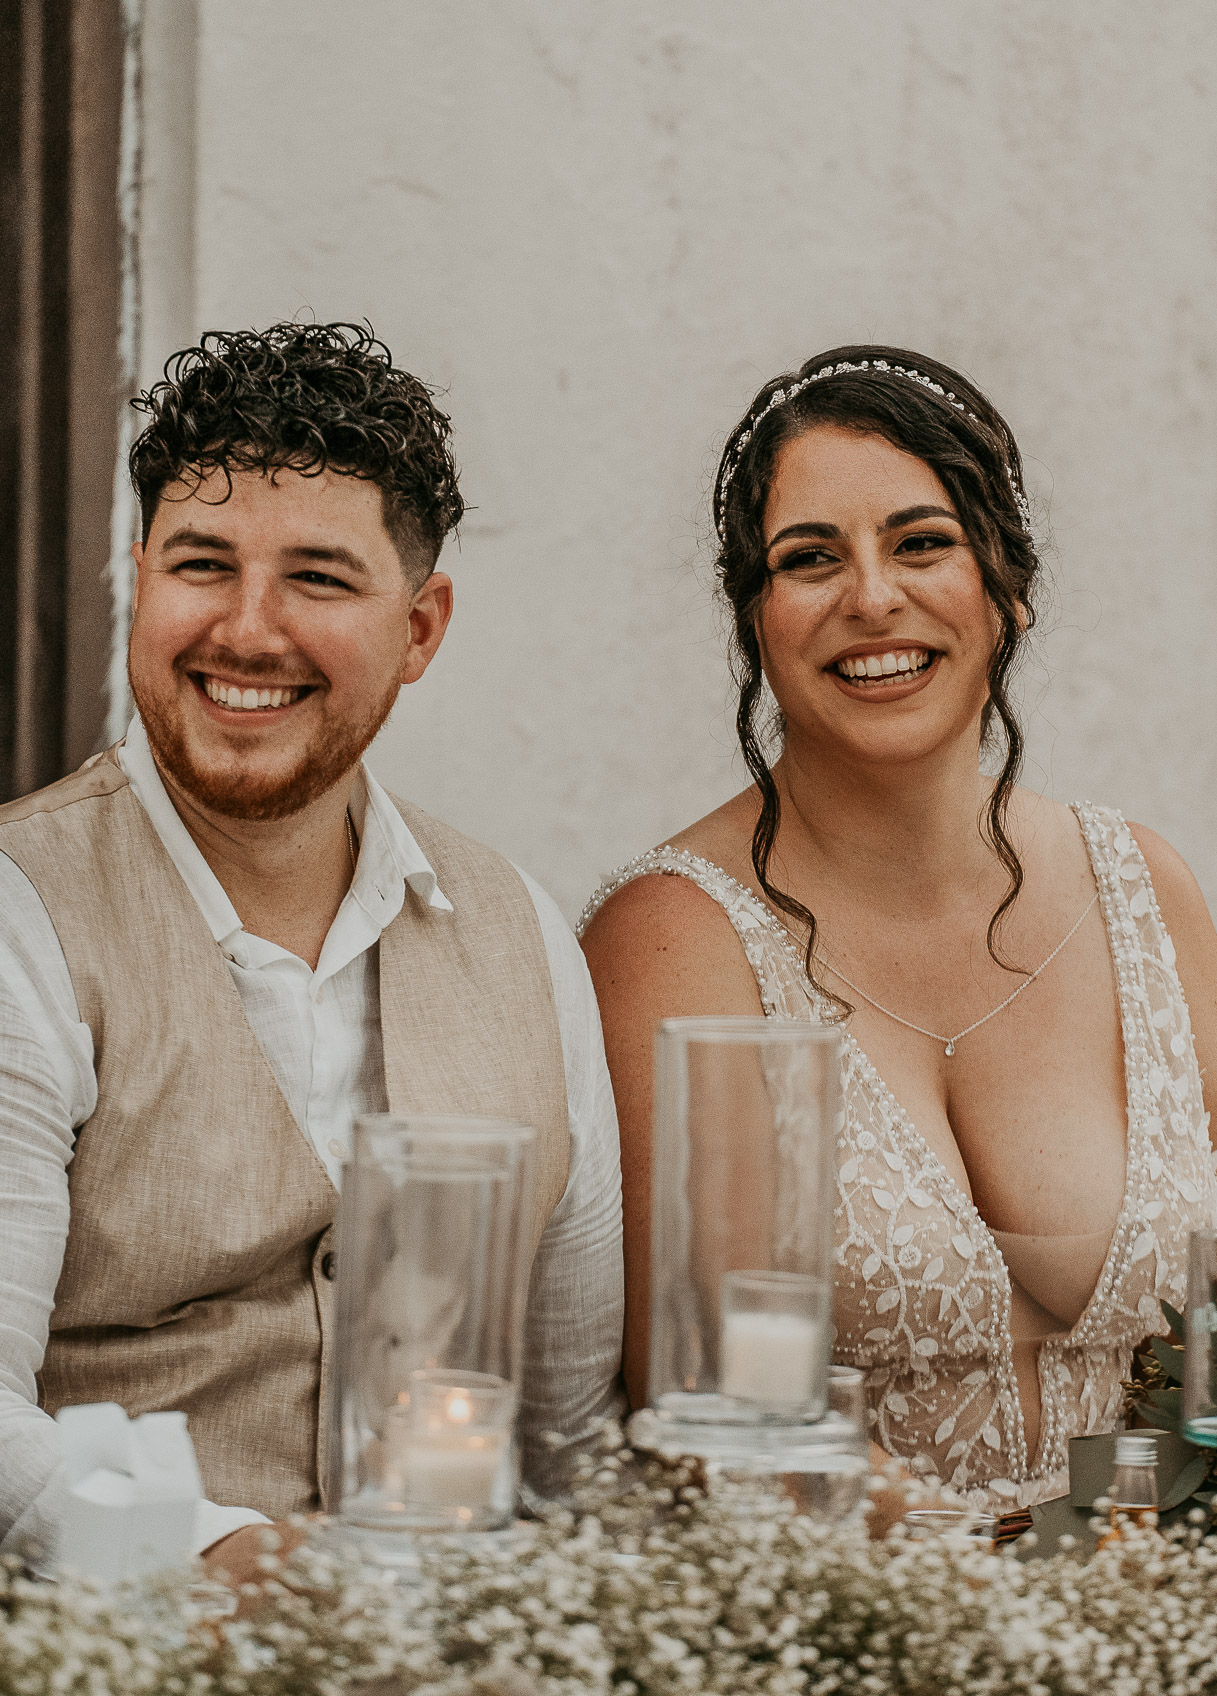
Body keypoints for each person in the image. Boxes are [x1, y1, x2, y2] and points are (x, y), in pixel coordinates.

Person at [0, 322, 622, 1574]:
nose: (245, 629)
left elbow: (567, 1430)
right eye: (201, 565)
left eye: (318, 579)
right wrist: (229, 1565)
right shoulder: (21, 911)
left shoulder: (521, 934)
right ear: (138, 581)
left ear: (421, 628)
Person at [579, 346, 1217, 1515]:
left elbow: (1206, 1361)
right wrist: (986, 1590)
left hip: (1149, 1612)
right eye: (808, 559)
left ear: (1005, 585)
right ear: (755, 620)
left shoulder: (1147, 891)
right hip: (843, 1633)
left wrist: (1127, 1572)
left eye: (920, 543)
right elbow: (706, 1412)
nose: (870, 598)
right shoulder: (675, 942)